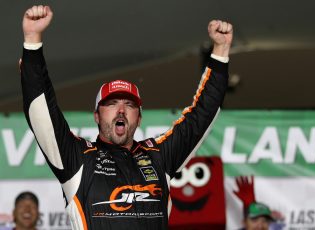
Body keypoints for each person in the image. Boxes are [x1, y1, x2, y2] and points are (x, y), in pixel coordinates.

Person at [20, 5, 232, 230]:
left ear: (139, 118)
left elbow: (202, 115)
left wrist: (221, 51)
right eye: (111, 104)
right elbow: (41, 111)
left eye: (129, 105)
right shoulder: (77, 159)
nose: (121, 110)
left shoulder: (159, 157)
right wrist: (33, 41)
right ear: (96, 116)